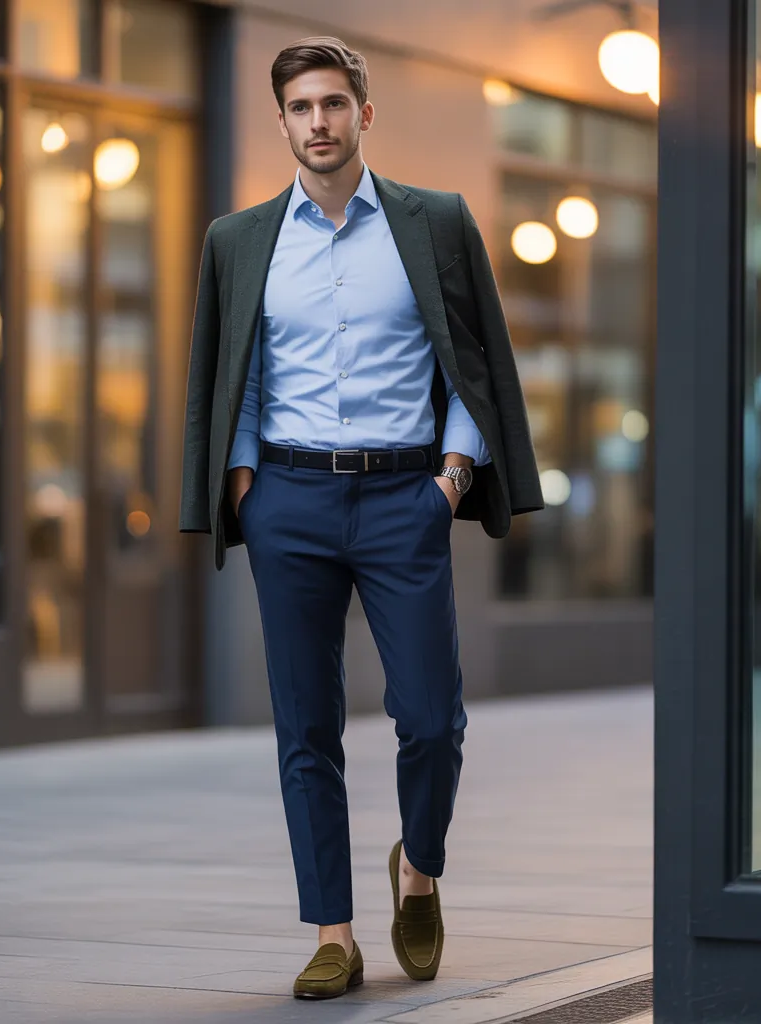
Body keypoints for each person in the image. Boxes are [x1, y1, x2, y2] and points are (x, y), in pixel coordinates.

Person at [180, 36, 542, 1000]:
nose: (319, 123)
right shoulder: (239, 238)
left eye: (334, 104)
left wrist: (453, 478)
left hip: (404, 499)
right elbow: (234, 376)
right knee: (307, 727)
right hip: (289, 501)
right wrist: (248, 483)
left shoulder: (436, 222)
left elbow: (472, 362)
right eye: (301, 108)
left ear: (364, 114)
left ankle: (416, 869)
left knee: (431, 719)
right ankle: (333, 935)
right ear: (284, 121)